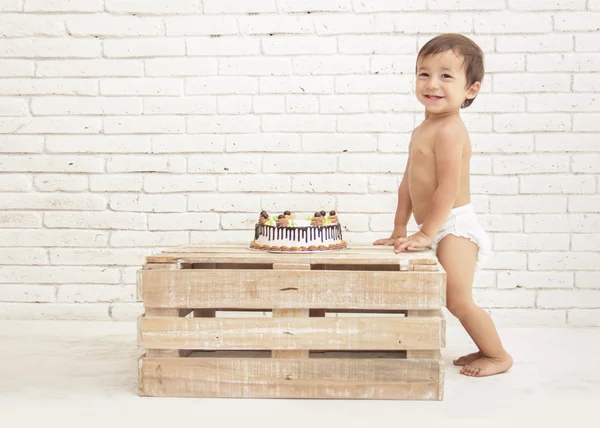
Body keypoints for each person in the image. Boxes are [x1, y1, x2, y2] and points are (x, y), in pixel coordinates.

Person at [374, 34, 513, 377]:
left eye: (446, 76)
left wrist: (427, 232)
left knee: (458, 299)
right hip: (434, 226)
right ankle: (484, 348)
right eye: (424, 73)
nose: (432, 83)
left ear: (471, 89)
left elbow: (448, 188)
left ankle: (498, 356)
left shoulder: (450, 130)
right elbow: (408, 184)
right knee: (449, 297)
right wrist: (399, 228)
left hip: (454, 226)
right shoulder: (423, 128)